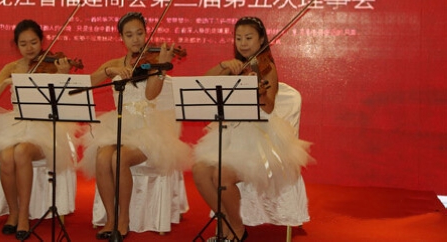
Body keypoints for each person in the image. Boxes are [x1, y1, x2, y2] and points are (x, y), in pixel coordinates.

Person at [191, 16, 313, 242]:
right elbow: (202, 84)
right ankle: (226, 223)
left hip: (260, 140)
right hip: (230, 135)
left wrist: (259, 93)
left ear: (261, 40)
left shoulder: (266, 68)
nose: (243, 43)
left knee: (221, 177)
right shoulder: (235, 67)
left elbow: (268, 108)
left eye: (248, 38)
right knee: (199, 171)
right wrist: (223, 66)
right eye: (238, 38)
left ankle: (237, 231)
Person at [79, 12, 192, 240]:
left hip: (148, 128)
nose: (136, 39)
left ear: (146, 33)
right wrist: (109, 71)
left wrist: (160, 68)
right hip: (119, 124)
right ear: (121, 38)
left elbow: (151, 95)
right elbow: (87, 83)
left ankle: (123, 219)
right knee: (102, 156)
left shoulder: (152, 62)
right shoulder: (115, 64)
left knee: (118, 158)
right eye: (129, 35)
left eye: (140, 33)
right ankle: (110, 219)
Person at [0, 19, 79, 241]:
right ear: (16, 45)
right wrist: (5, 83)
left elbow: (65, 101)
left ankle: (23, 216)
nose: (29, 48)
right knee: (6, 155)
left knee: (22, 152)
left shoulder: (52, 64)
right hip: (15, 124)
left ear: (41, 41)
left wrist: (63, 75)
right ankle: (13, 212)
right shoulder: (11, 68)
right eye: (23, 44)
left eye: (34, 42)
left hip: (45, 125)